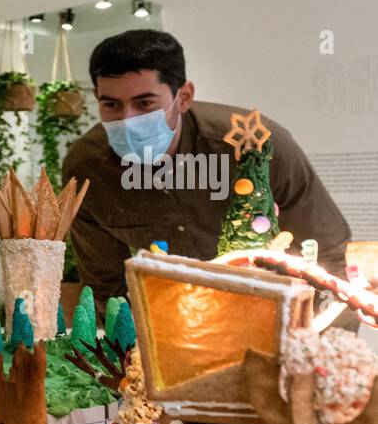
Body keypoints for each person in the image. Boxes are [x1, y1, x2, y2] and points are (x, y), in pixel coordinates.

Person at [64, 29, 350, 303]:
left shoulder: (255, 146)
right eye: (111, 105)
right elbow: (106, 288)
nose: (127, 120)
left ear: (184, 97)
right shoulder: (88, 169)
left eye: (145, 103)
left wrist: (315, 345)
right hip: (174, 322)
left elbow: (330, 255)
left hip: (273, 306)